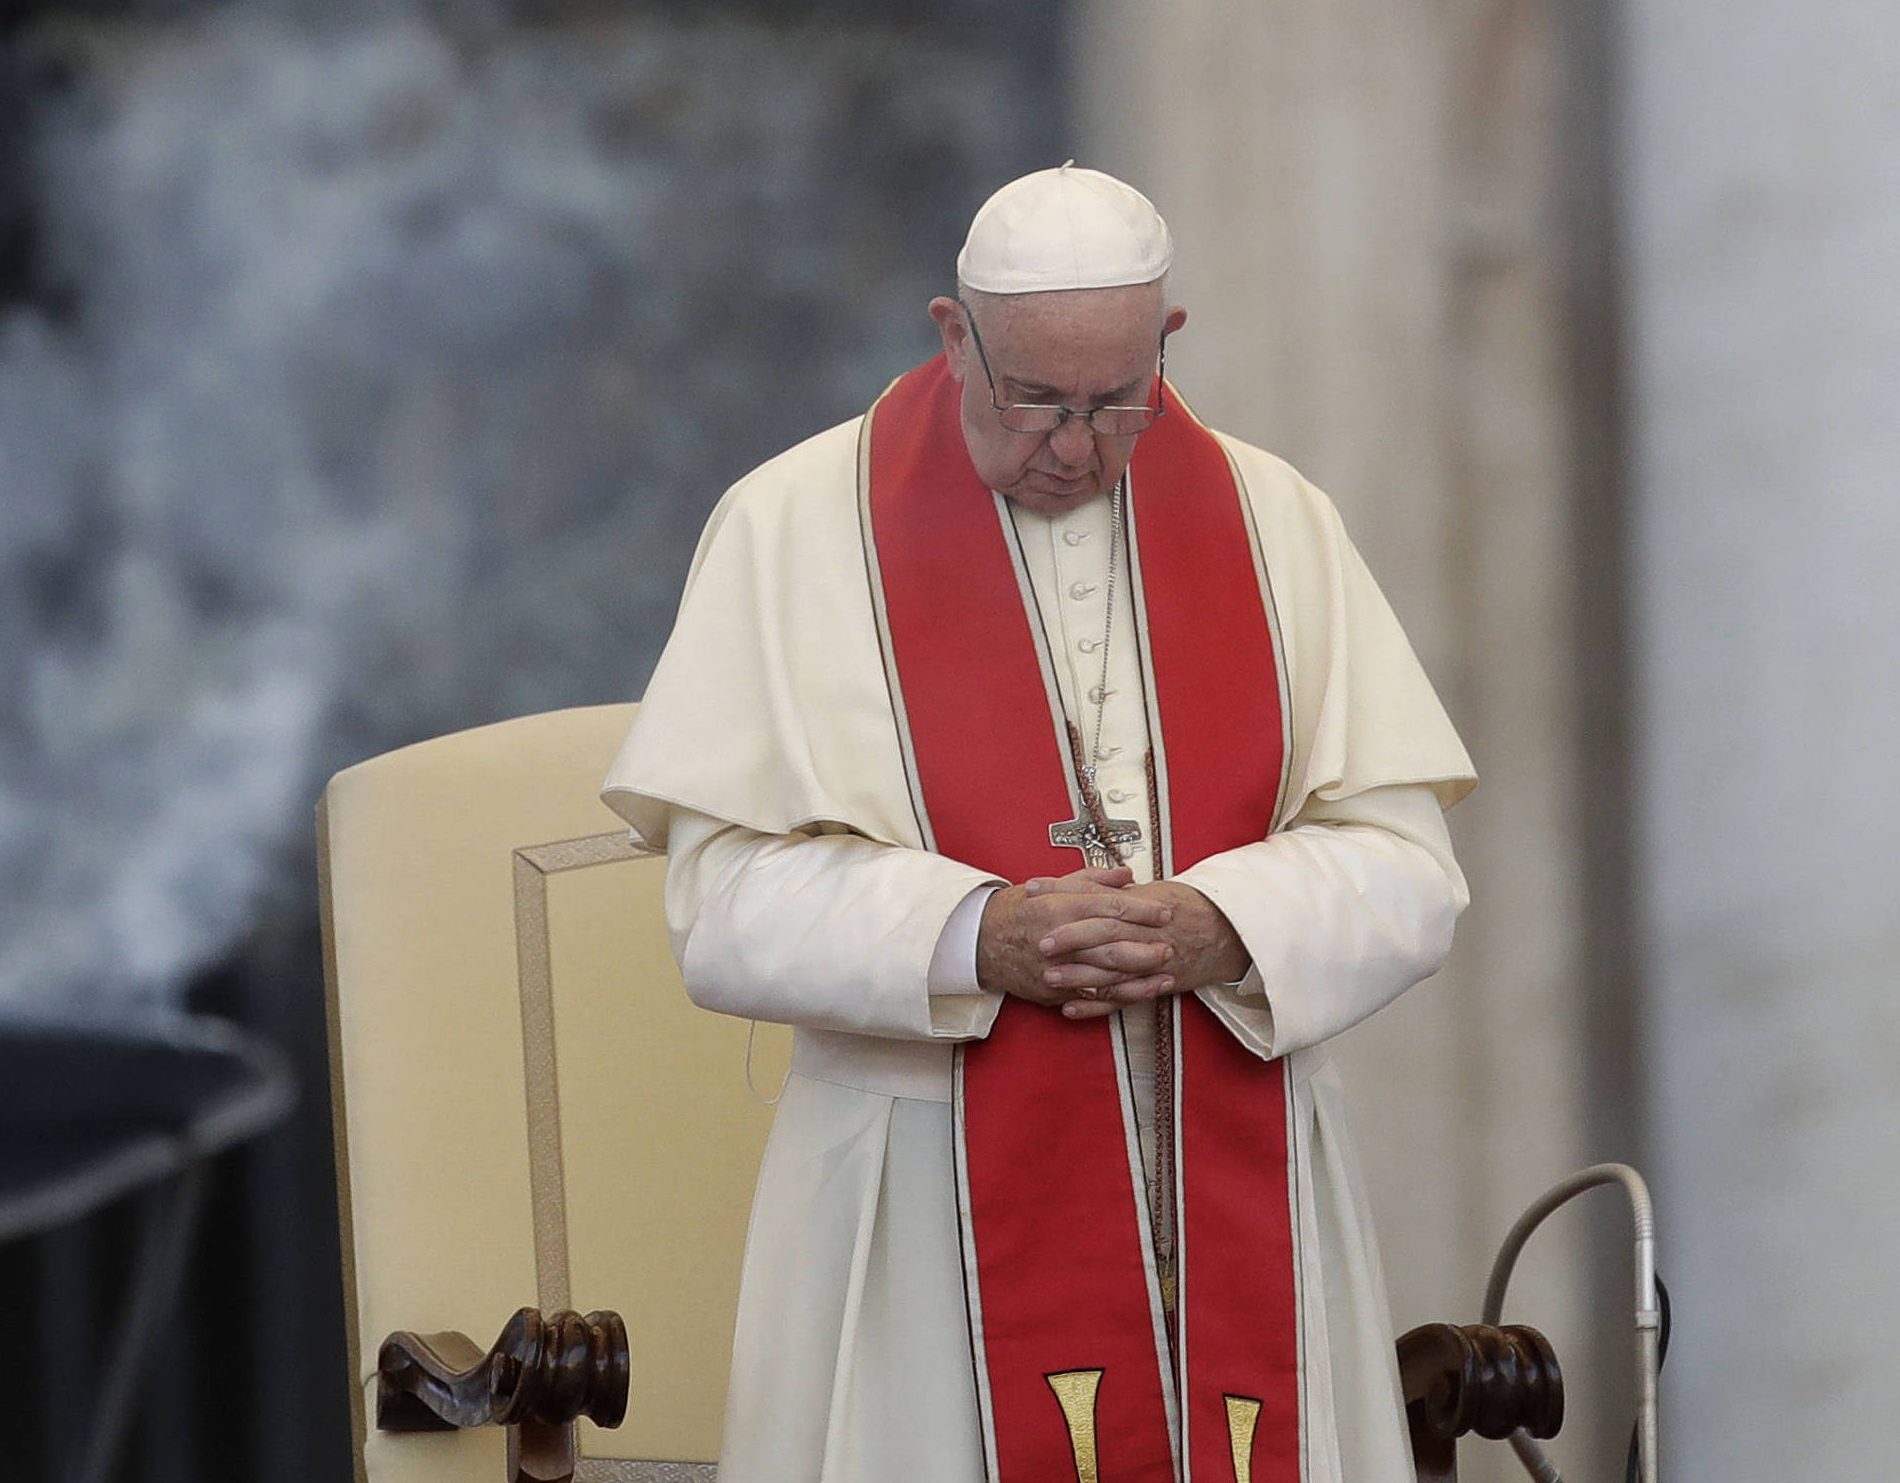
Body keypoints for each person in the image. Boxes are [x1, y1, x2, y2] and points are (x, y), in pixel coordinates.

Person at [602, 164, 1475, 1483]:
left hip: (1233, 1187)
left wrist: (1224, 923)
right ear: (954, 336)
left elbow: (1409, 869)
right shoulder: (792, 529)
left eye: (1116, 403)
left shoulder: (1278, 523)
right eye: (1034, 401)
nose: (1074, 446)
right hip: (922, 1203)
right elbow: (720, 907)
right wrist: (971, 934)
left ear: (1168, 346)